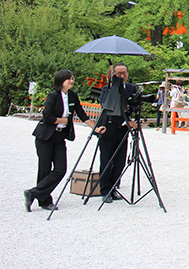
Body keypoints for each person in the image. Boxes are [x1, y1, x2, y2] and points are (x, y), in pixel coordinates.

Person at [24, 69, 95, 212]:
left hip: (60, 137)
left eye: (72, 78)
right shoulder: (53, 96)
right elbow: (47, 116)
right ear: (61, 81)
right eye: (69, 79)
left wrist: (95, 127)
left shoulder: (73, 96)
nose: (72, 81)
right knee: (44, 168)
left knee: (60, 169)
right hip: (45, 137)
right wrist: (61, 120)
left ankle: (33, 193)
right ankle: (45, 201)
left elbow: (81, 113)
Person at [95, 63, 137, 203]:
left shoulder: (131, 88)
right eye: (119, 73)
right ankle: (105, 190)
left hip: (123, 129)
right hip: (108, 127)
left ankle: (114, 187)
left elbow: (133, 106)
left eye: (124, 73)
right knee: (106, 160)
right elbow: (107, 106)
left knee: (120, 161)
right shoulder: (107, 88)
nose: (122, 76)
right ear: (113, 74)